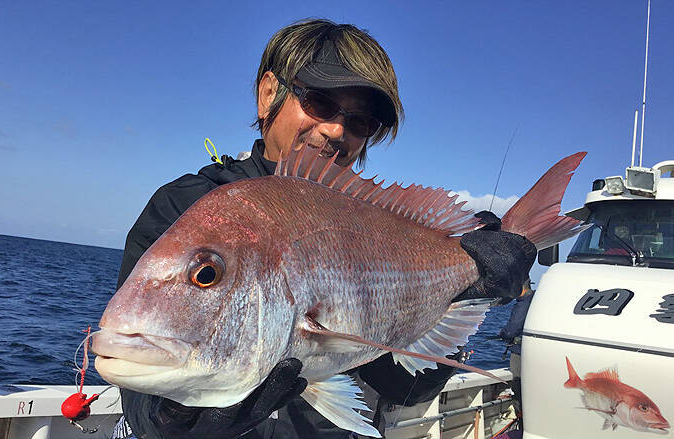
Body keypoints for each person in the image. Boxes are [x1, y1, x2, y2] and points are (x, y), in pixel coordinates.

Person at [112, 19, 536, 439]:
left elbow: (410, 387)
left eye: (359, 122)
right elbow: (134, 381)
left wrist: (470, 291)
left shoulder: (374, 228)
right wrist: (173, 418)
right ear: (267, 94)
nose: (336, 130)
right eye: (318, 101)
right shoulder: (186, 205)